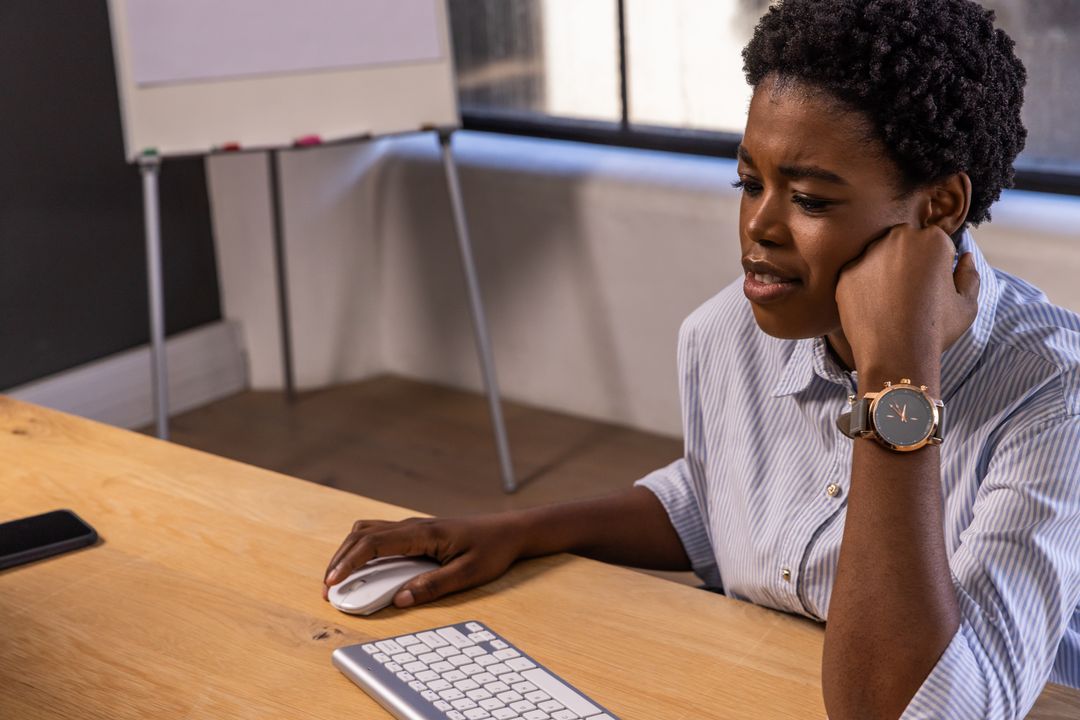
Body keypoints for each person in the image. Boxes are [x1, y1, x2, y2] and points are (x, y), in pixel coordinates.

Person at [323, 1, 1080, 717]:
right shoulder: (727, 332)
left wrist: (898, 380)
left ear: (940, 208)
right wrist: (522, 531)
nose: (759, 226)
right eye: (749, 182)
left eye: (811, 200)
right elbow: (718, 495)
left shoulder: (1054, 393)